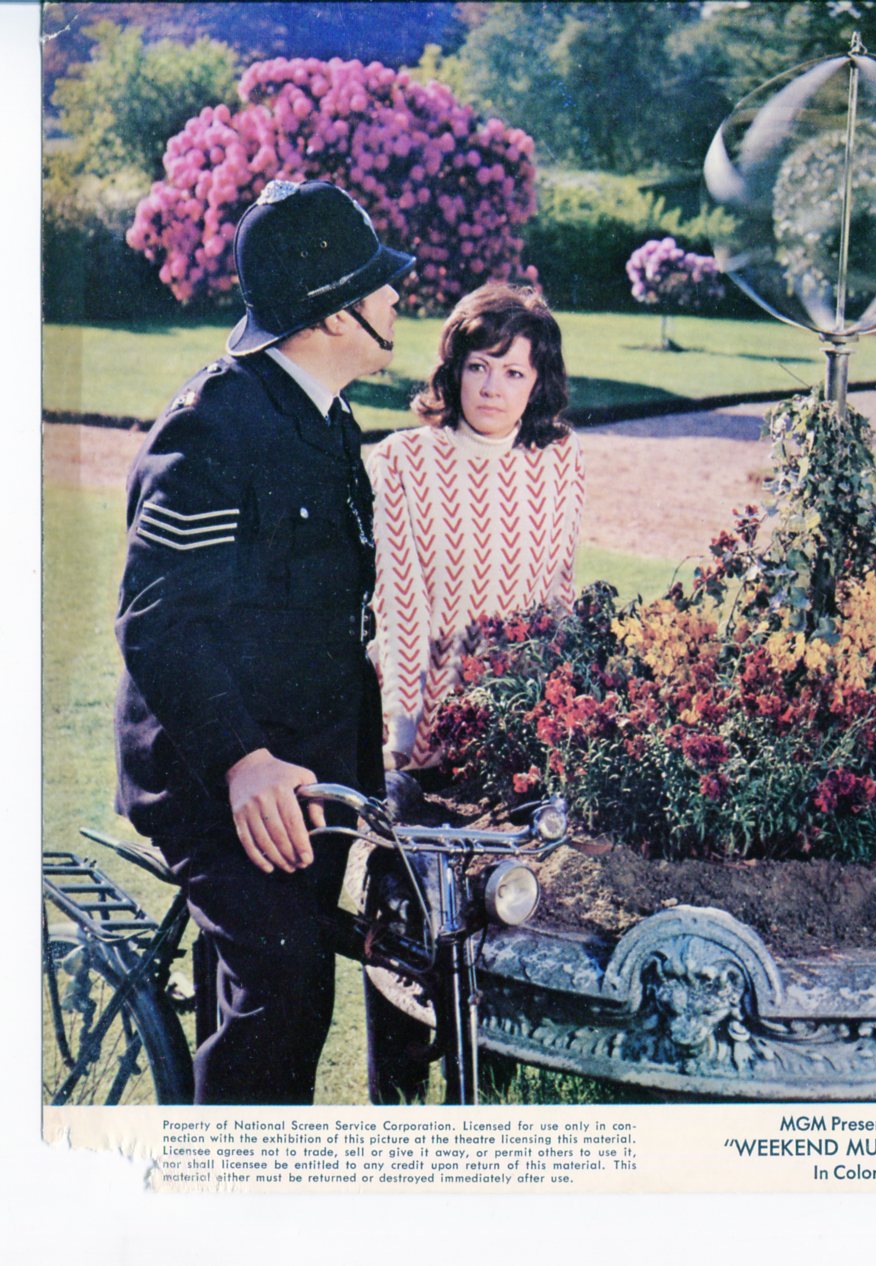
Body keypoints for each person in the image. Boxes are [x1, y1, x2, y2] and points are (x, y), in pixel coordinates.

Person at [114, 180, 414, 1104]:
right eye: (376, 283)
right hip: (218, 776)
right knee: (284, 993)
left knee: (273, 991)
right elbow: (159, 620)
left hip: (307, 777)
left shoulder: (322, 414)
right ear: (331, 314)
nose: (395, 295)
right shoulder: (215, 423)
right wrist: (242, 760)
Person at [369, 281, 585, 775]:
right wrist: (402, 737)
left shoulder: (561, 456)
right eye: (478, 367)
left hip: (518, 734)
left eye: (513, 372)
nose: (492, 388)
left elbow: (558, 595)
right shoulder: (404, 460)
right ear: (455, 371)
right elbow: (399, 603)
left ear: (537, 382)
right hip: (421, 733)